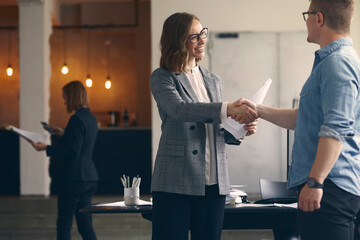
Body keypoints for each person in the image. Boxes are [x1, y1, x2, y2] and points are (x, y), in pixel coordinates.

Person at [235, 0, 360, 239]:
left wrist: (315, 182)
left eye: (308, 15)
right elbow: (303, 119)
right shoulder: (331, 62)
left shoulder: (338, 63)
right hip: (329, 188)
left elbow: (336, 128)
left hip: (330, 190)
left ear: (319, 18)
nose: (306, 22)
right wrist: (258, 110)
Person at [150, 12, 258, 240]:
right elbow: (179, 109)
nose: (202, 40)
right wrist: (228, 108)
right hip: (174, 180)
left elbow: (217, 128)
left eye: (203, 33)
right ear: (177, 40)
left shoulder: (213, 80)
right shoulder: (162, 77)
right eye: (194, 36)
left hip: (214, 182)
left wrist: (239, 130)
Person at [30, 80, 98, 240]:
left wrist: (46, 148)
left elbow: (73, 152)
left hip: (74, 179)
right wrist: (64, 134)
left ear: (73, 96)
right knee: (85, 224)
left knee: (64, 223)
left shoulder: (76, 119)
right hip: (89, 178)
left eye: (65, 97)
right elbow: (81, 146)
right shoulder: (91, 118)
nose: (64, 101)